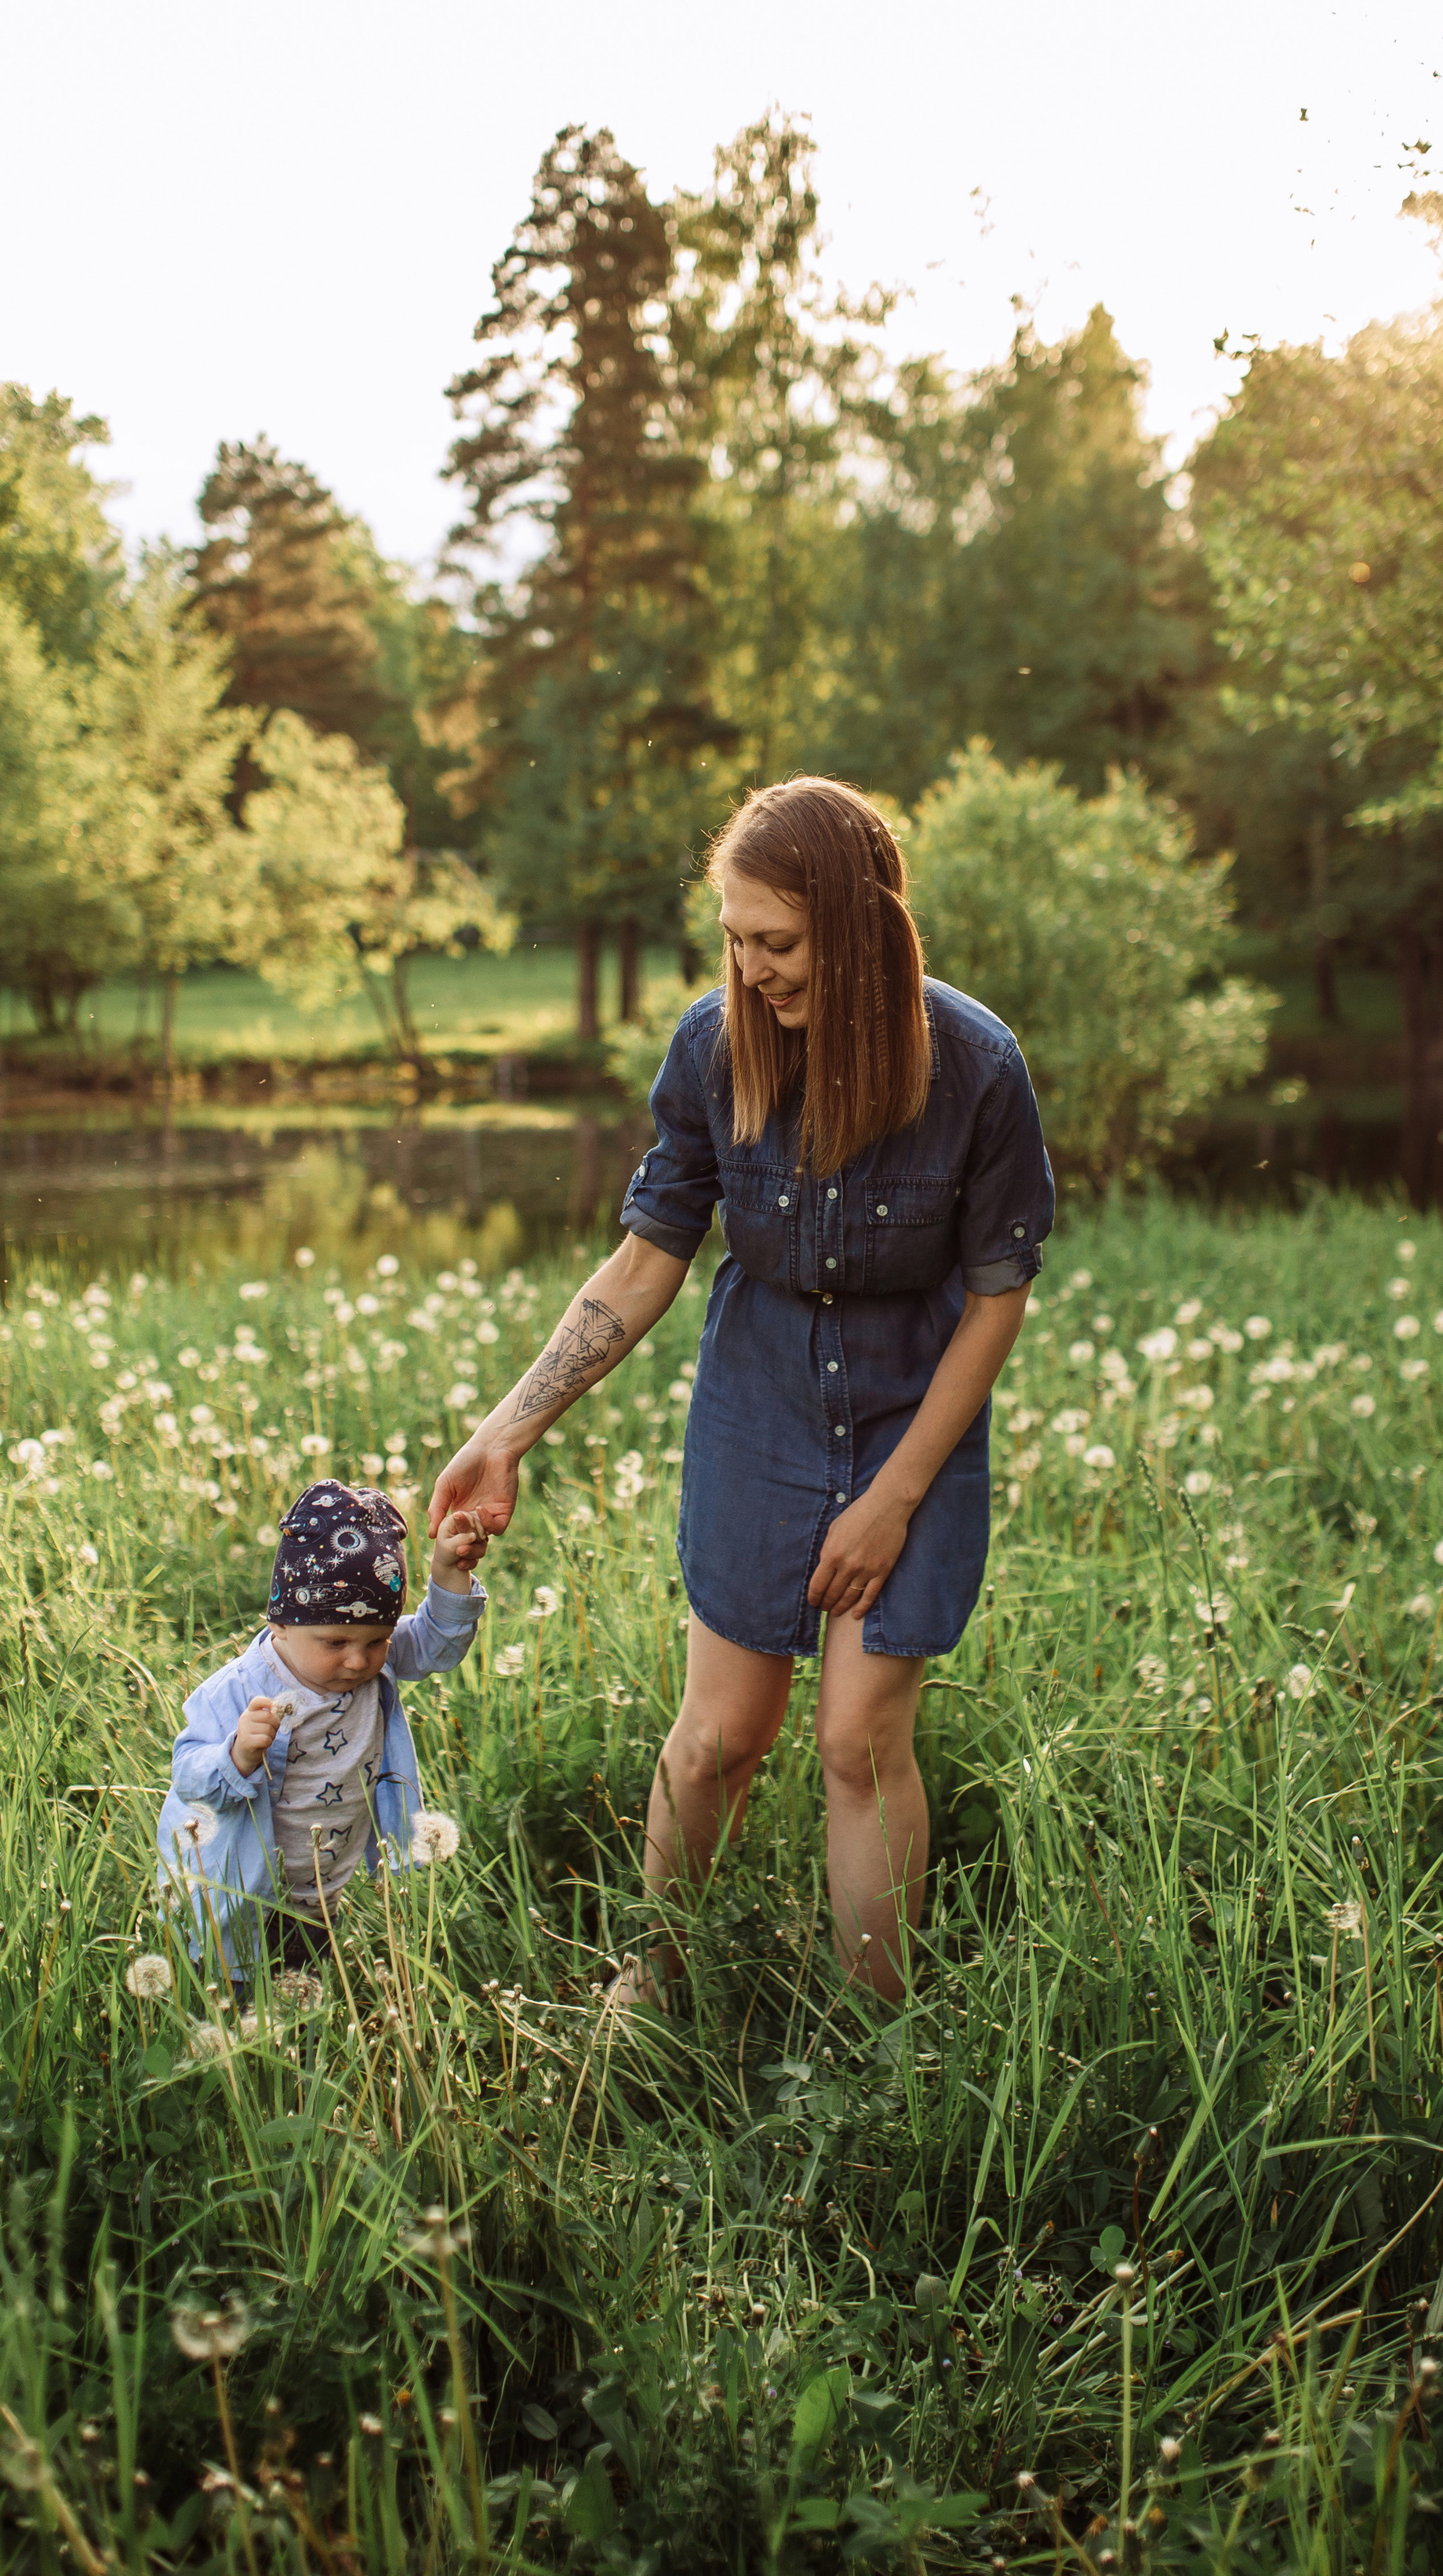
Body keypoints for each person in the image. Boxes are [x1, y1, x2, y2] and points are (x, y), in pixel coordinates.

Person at [428, 776, 1052, 2003]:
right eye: (733, 937)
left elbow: (997, 1300)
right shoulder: (715, 1048)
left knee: (859, 1738)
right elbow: (649, 1255)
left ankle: (879, 2048)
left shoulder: (978, 1065)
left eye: (778, 940)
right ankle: (656, 1983)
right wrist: (508, 1431)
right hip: (759, 1401)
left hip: (909, 1421)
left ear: (862, 928)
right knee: (721, 1735)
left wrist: (894, 1498)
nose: (751, 966)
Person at [156, 1479, 488, 1985]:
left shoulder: (378, 1660)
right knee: (231, 1984)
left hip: (321, 1885)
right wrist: (237, 1755)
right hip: (240, 1882)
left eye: (378, 1639)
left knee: (301, 1989)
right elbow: (188, 1777)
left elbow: (438, 1643)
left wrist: (446, 1571)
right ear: (282, 1623)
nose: (358, 1660)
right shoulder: (239, 1690)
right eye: (335, 1641)